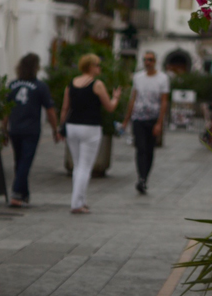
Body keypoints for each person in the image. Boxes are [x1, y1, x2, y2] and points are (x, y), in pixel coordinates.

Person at [59, 52, 122, 213]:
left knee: (78, 166)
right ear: (91, 67)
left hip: (72, 126)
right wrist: (116, 97)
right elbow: (109, 107)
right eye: (97, 65)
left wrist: (61, 127)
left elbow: (65, 108)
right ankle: (76, 203)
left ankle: (80, 199)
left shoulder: (71, 83)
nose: (99, 68)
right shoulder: (97, 84)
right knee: (85, 167)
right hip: (90, 127)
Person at [4, 53, 59, 207]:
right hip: (31, 130)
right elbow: (50, 110)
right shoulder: (40, 87)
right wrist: (55, 129)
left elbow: (5, 110)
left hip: (15, 129)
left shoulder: (12, 85)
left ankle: (24, 193)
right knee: (25, 162)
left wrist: (3, 128)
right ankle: (16, 193)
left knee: (19, 161)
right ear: (36, 67)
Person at [122, 48, 170, 194]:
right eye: (145, 60)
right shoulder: (138, 77)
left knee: (149, 150)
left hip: (153, 118)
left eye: (150, 60)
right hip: (138, 118)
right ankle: (141, 178)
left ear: (155, 62)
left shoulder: (163, 78)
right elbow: (133, 98)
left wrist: (160, 123)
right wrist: (126, 120)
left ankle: (145, 177)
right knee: (141, 148)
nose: (147, 62)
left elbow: (164, 102)